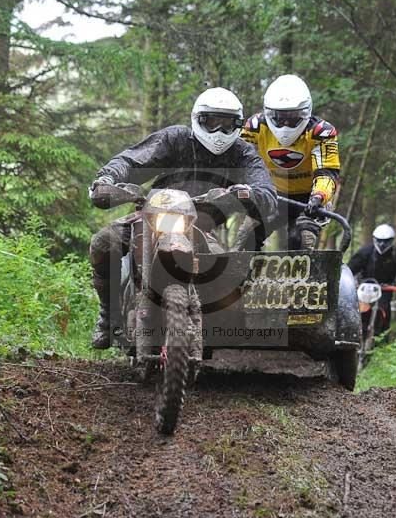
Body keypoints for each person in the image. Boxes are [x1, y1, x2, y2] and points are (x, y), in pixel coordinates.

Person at [88, 87, 278, 349]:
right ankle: (108, 318)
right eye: (212, 122)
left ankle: (207, 330)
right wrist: (108, 178)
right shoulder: (175, 139)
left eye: (226, 124)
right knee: (104, 242)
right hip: (152, 215)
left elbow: (268, 194)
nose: (219, 132)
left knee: (223, 275)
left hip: (202, 228)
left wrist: (250, 193)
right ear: (198, 119)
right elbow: (133, 160)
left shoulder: (243, 154)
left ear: (238, 125)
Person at [241, 74, 341, 250]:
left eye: (293, 118)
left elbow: (327, 172)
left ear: (305, 113)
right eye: (279, 118)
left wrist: (319, 196)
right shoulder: (255, 128)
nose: (285, 124)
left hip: (310, 198)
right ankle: (243, 274)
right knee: (247, 235)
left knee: (302, 239)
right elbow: (243, 162)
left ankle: (307, 276)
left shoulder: (321, 132)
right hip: (273, 193)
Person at [348, 224, 396, 336]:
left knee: (384, 311)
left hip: (385, 288)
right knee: (360, 311)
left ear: (392, 241)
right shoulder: (366, 252)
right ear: (374, 239)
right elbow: (351, 268)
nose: (382, 244)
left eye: (386, 241)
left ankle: (382, 339)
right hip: (364, 286)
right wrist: (351, 282)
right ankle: (355, 335)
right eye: (379, 241)